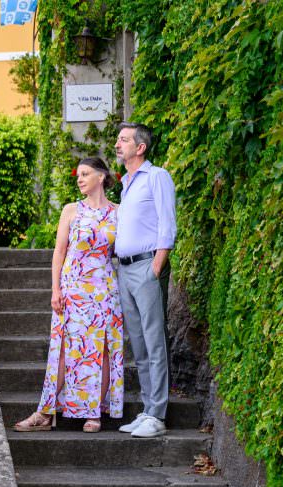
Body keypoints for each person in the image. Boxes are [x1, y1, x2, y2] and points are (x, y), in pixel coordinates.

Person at [14, 157, 125, 433]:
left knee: (102, 351)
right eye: (78, 174)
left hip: (104, 291)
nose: (79, 178)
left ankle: (95, 412)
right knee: (63, 350)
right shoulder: (71, 211)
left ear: (101, 177)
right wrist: (56, 289)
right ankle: (45, 412)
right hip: (73, 290)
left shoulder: (118, 213)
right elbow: (59, 252)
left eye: (85, 174)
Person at [113, 122, 176, 438]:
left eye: (123, 140)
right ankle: (148, 409)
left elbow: (167, 224)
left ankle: (158, 414)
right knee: (138, 343)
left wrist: (156, 266)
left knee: (154, 340)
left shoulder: (157, 177)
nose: (117, 144)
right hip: (125, 270)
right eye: (117, 140)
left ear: (140, 147)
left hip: (146, 267)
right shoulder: (127, 184)